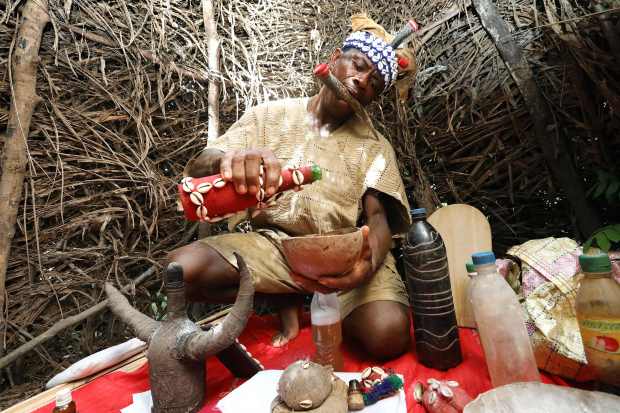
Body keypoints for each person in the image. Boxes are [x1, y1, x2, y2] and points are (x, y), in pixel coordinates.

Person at [169, 14, 417, 359]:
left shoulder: (374, 146)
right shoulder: (270, 115)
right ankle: (279, 293)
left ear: (373, 98)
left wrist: (364, 266)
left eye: (374, 83)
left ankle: (330, 301)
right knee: (181, 271)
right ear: (334, 59)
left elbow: (378, 220)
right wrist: (229, 160)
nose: (361, 81)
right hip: (276, 248)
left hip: (346, 252)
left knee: (386, 334)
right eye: (357, 66)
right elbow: (203, 163)